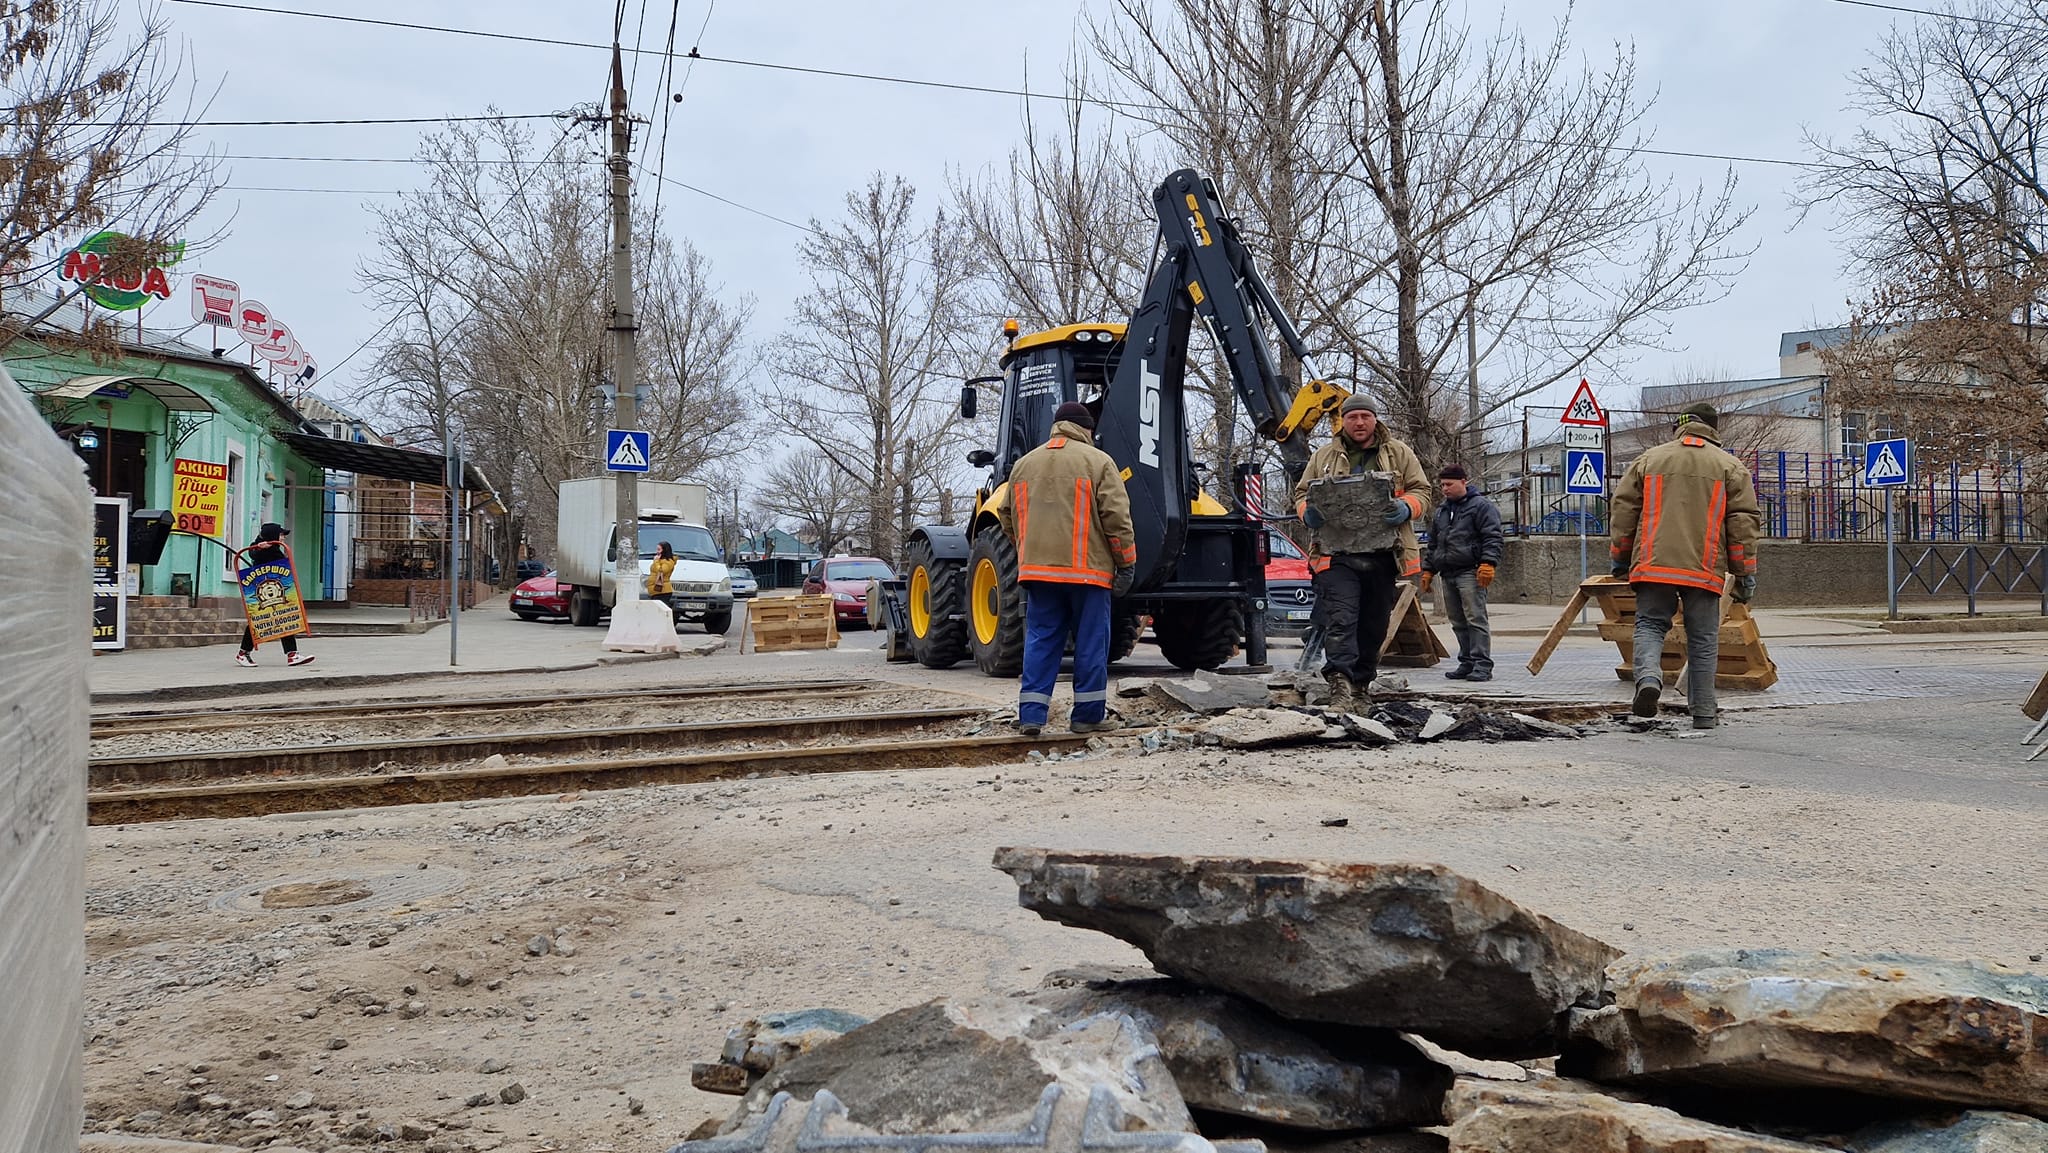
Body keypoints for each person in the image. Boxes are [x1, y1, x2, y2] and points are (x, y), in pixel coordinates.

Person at [1609, 402, 1761, 730]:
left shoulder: (1649, 460)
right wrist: (1744, 572)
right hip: (1704, 567)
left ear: (1681, 426)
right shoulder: (1730, 467)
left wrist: (1620, 558)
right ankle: (1704, 712)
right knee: (1703, 638)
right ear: (1713, 428)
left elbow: (1623, 511)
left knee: (1650, 625)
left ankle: (1648, 679)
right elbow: (1743, 524)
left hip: (1653, 564)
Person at [998, 400, 1138, 737]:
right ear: (1087, 429)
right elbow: (1117, 521)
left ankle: (1031, 716)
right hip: (1088, 575)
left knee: (1041, 640)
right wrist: (1126, 564)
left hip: (1038, 574)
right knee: (1090, 643)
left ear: (1056, 426)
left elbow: (1005, 515)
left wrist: (1028, 546)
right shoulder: (1099, 462)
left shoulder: (1023, 465)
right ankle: (1087, 716)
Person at [1290, 395, 1432, 711]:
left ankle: (1360, 687)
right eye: (1352, 417)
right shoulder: (1324, 457)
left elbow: (1422, 490)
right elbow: (1301, 493)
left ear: (1374, 419)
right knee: (1340, 620)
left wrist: (1407, 507)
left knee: (1373, 625)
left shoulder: (1399, 453)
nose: (1359, 423)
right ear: (1343, 421)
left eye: (1365, 416)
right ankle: (1339, 687)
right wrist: (1306, 512)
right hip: (1335, 555)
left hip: (1383, 554)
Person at [1420, 464, 1505, 681]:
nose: (1445, 489)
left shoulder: (1481, 507)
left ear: (1463, 482)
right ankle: (1467, 662)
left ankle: (1482, 665)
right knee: (1458, 621)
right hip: (1448, 572)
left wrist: (1488, 563)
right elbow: (1434, 543)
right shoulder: (1442, 511)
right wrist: (1428, 570)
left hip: (1471, 571)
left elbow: (1492, 537)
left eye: (1449, 484)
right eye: (1442, 485)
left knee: (1475, 618)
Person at [234, 522, 314, 668]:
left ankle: (292, 654)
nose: (283, 538)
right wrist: (259, 546)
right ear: (272, 536)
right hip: (264, 591)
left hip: (274, 589)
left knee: (283, 618)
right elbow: (254, 553)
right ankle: (243, 653)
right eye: (281, 535)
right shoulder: (268, 550)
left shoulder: (270, 548)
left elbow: (255, 551)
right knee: (259, 621)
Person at [647, 540, 677, 619]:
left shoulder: (668, 561)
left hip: (663, 590)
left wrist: (656, 561)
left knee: (659, 612)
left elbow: (661, 571)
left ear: (665, 550)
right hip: (656, 590)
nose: (657, 552)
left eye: (659, 549)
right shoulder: (660, 560)